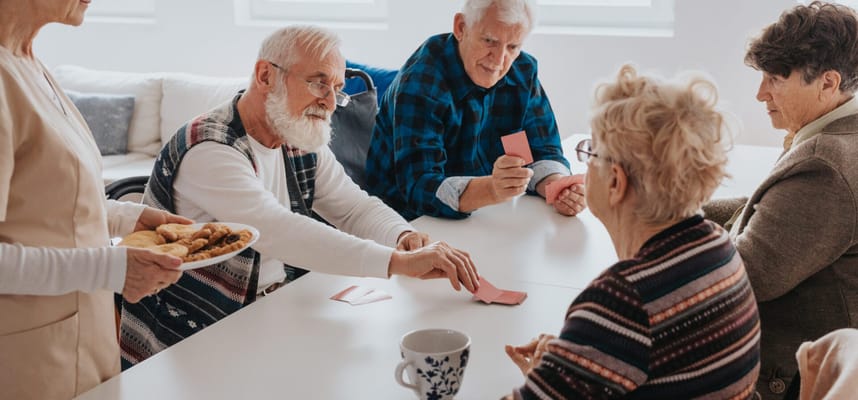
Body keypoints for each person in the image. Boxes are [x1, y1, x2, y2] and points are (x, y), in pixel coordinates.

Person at [119, 25, 480, 367]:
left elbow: (352, 207)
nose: (330, 102)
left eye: (336, 89)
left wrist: (404, 238)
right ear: (265, 76)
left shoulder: (296, 134)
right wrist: (396, 263)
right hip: (192, 332)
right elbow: (278, 231)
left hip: (272, 308)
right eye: (318, 83)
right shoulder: (209, 148)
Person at [504, 65, 761, 399]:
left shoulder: (622, 301)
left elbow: (631, 324)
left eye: (590, 152)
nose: (584, 165)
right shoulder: (717, 246)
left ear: (615, 182)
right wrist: (573, 363)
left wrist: (579, 352)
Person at [0, 0, 189, 398]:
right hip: (29, 356)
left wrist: (125, 219)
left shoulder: (30, 64)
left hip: (84, 335)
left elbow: (46, 198)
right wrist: (112, 269)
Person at [703, 2, 858, 398]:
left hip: (785, 375)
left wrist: (663, 227)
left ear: (828, 82)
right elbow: (769, 210)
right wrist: (686, 209)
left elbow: (748, 272)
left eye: (775, 79)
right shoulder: (838, 135)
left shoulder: (824, 163)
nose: (760, 94)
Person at [364, 0, 585, 220]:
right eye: (489, 41)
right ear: (461, 27)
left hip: (486, 213)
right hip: (404, 220)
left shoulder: (522, 70)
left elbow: (543, 150)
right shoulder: (422, 82)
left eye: (512, 47)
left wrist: (558, 188)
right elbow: (419, 186)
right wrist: (492, 189)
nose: (499, 60)